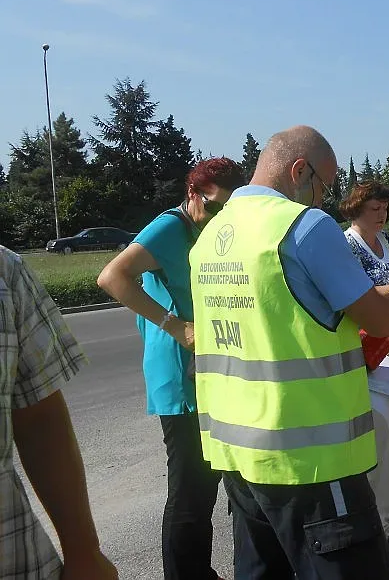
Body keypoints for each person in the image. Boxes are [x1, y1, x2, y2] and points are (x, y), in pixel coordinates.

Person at [189, 125, 389, 579]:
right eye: (323, 185)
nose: (324, 200)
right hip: (312, 460)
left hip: (237, 456)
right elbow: (379, 320)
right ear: (299, 170)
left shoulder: (213, 232)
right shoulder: (303, 226)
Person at [97, 157, 245, 580]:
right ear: (193, 194)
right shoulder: (171, 227)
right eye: (215, 207)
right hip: (181, 376)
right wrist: (176, 325)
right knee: (192, 491)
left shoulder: (209, 230)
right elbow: (112, 277)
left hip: (211, 371)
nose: (221, 217)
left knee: (218, 481)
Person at [1, 245, 118, 580]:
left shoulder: (6, 272)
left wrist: (84, 553)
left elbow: (39, 419)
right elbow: (113, 276)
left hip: (15, 558)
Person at [340, 181, 389, 543]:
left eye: (385, 208)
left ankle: (386, 502)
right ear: (356, 209)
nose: (382, 215)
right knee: (376, 437)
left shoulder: (386, 241)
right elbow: (360, 296)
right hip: (367, 354)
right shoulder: (347, 244)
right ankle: (374, 517)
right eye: (374, 209)